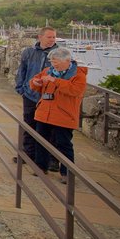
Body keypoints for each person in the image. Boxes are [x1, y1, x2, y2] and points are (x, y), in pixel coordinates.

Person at [29, 47, 87, 183]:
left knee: (64, 144)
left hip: (64, 115)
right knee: (41, 141)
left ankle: (67, 173)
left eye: (56, 62)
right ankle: (41, 166)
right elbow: (36, 82)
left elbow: (75, 90)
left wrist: (56, 81)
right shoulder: (49, 71)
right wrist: (35, 83)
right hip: (45, 113)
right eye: (52, 62)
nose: (53, 65)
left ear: (67, 61)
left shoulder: (78, 75)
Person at [14, 27, 59, 168]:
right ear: (40, 37)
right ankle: (28, 154)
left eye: (54, 37)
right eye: (49, 37)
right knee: (29, 125)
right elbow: (22, 71)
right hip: (30, 95)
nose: (52, 40)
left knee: (50, 128)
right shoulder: (29, 52)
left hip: (49, 97)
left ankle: (51, 160)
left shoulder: (59, 54)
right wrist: (21, 89)